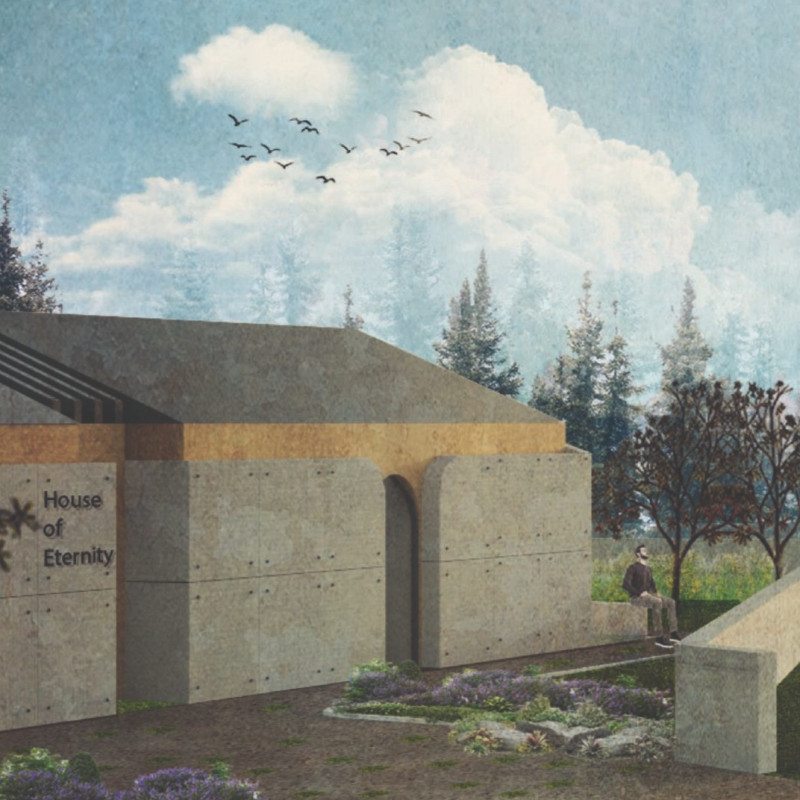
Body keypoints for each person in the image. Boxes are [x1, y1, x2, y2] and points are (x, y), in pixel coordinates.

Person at [622, 544, 681, 649]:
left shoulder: (648, 569)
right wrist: (639, 593)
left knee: (671, 602)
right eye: (644, 551)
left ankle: (673, 633)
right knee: (657, 602)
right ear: (638, 554)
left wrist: (656, 592)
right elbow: (625, 584)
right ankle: (659, 637)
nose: (646, 552)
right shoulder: (633, 567)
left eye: (646, 551)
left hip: (648, 596)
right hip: (636, 598)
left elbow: (652, 584)